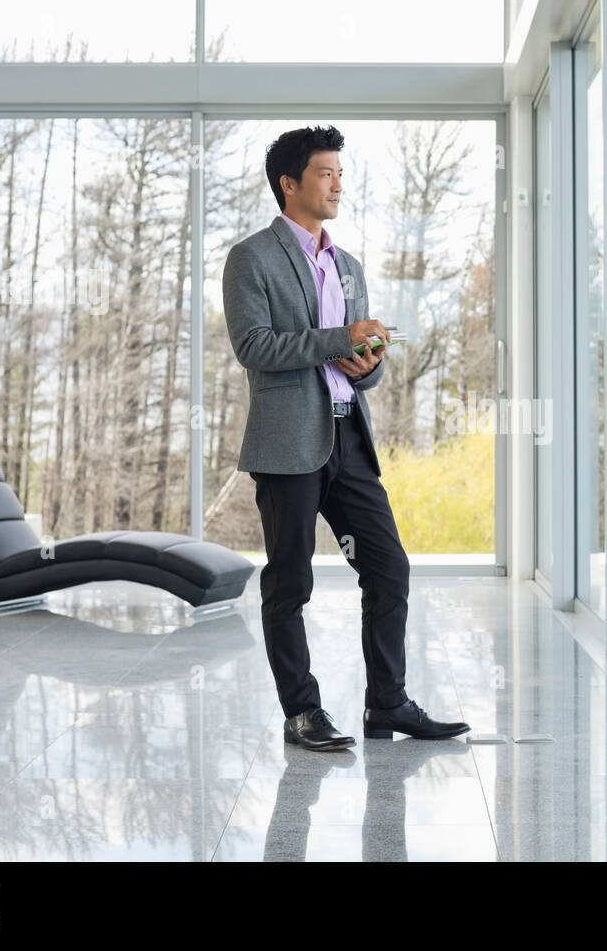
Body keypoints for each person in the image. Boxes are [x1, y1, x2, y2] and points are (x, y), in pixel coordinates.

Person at [221, 124, 469, 750]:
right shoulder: (251, 258)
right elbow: (254, 347)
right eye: (325, 173)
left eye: (340, 173)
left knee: (388, 568)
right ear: (290, 183)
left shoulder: (348, 264)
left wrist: (369, 363)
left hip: (349, 437)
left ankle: (387, 703)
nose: (337, 184)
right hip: (287, 445)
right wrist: (340, 340)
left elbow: (362, 360)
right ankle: (302, 712)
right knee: (290, 582)